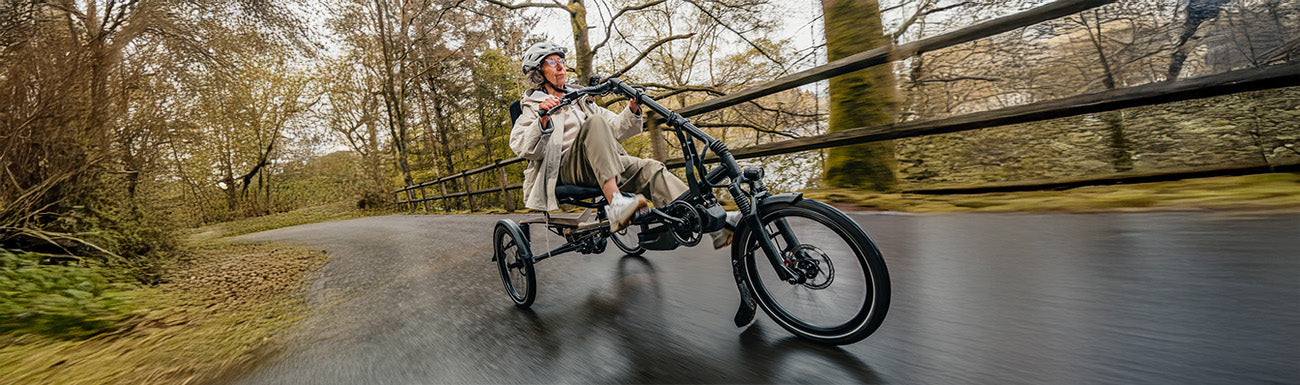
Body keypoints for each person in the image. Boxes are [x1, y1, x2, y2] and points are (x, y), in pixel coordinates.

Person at [509, 41, 736, 248]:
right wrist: (542, 119)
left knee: (651, 168)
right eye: (552, 62)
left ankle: (718, 225)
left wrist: (632, 109)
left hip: (601, 163)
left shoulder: (581, 98)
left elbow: (615, 127)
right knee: (595, 123)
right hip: (564, 169)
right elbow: (521, 147)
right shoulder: (532, 105)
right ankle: (617, 204)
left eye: (562, 61)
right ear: (538, 73)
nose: (561, 66)